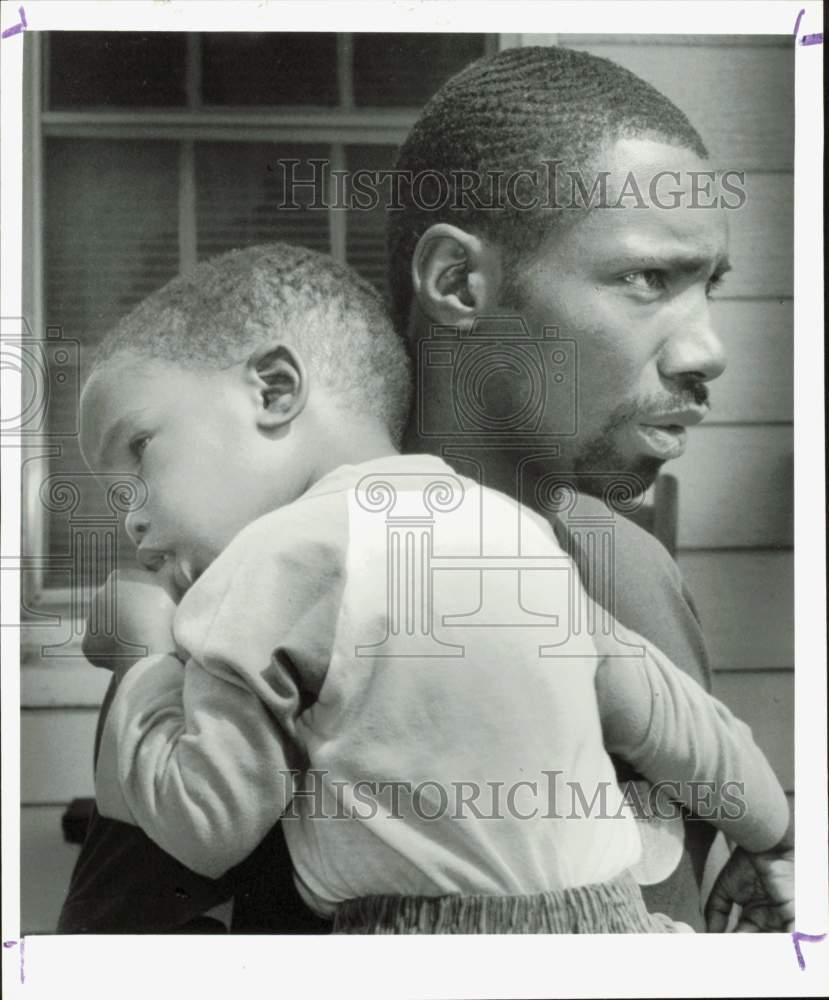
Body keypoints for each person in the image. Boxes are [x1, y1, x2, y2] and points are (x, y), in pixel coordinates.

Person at [58, 44, 793, 935]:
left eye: (706, 288)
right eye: (646, 279)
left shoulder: (633, 569)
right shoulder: (239, 597)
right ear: (456, 282)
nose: (707, 350)